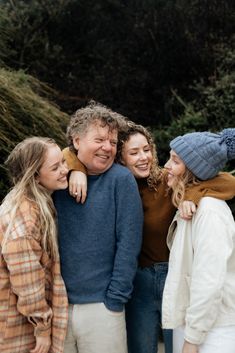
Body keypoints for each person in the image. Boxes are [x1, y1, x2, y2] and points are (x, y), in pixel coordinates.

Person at [64, 121, 235, 353]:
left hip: (173, 277)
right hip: (138, 281)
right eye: (133, 153)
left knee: (179, 345)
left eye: (147, 149)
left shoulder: (168, 180)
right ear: (120, 157)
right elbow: (67, 153)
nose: (143, 157)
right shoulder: (114, 183)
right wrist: (77, 168)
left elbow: (220, 180)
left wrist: (194, 194)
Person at [53, 102, 144, 353]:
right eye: (100, 139)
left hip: (103, 307)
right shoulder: (57, 179)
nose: (107, 147)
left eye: (113, 142)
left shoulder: (121, 180)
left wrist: (115, 299)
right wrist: (73, 167)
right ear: (77, 140)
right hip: (58, 306)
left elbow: (129, 243)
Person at [162, 128, 235, 353]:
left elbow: (209, 282)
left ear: (192, 171)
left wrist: (192, 340)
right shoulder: (193, 202)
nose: (166, 166)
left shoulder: (210, 212)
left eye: (175, 161)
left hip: (213, 332)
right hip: (195, 324)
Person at [0, 137, 69, 353]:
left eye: (64, 162)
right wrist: (42, 328)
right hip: (18, 327)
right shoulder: (25, 216)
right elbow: (27, 280)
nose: (65, 170)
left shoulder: (35, 202)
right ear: (35, 176)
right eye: (56, 167)